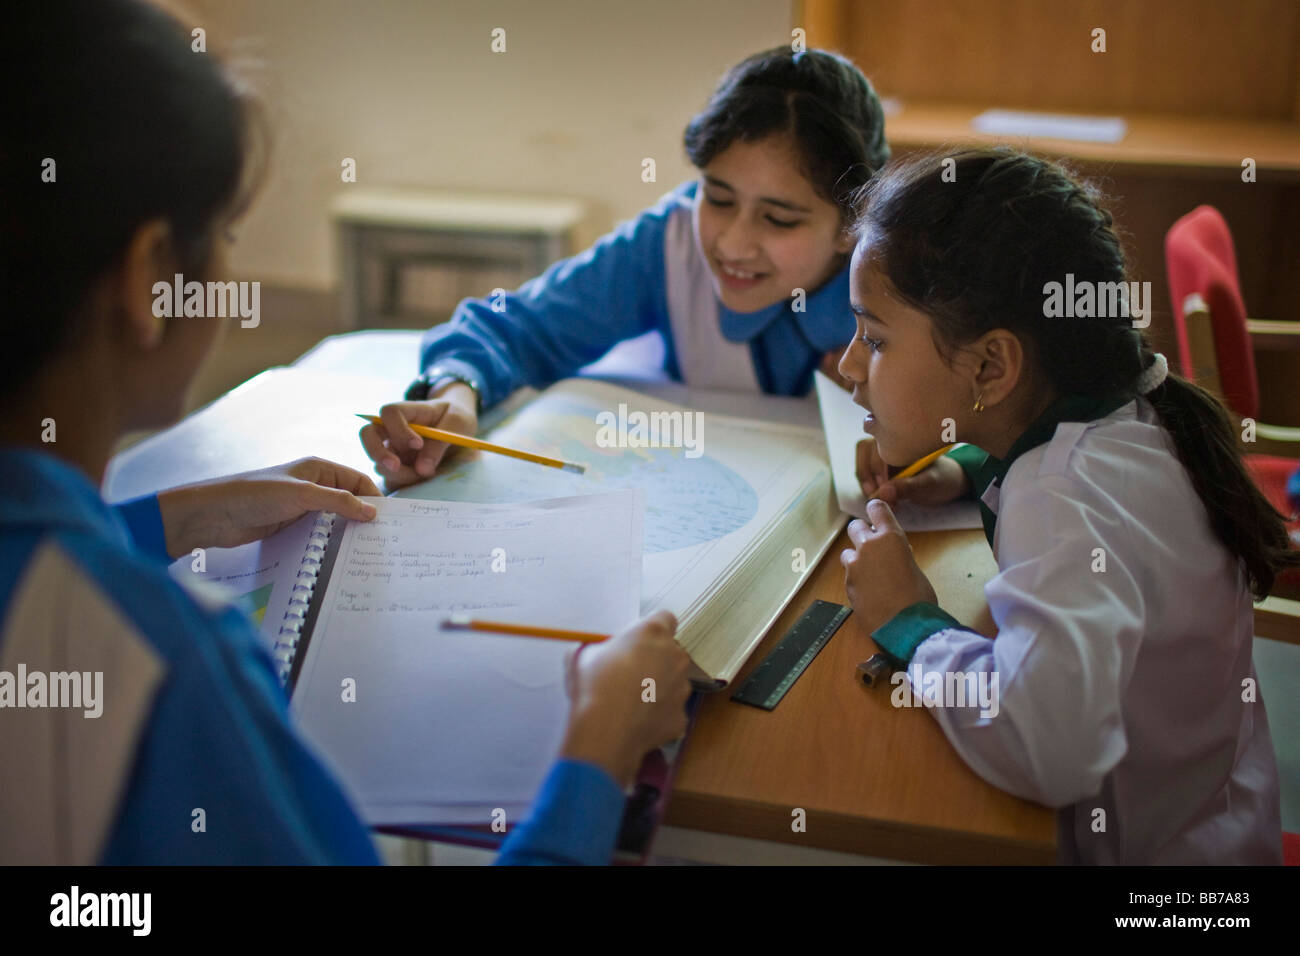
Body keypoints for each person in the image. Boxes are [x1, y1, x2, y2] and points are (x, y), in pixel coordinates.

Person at [0, 0, 692, 865]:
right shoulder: (166, 669)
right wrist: (595, 751)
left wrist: (172, 519)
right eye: (225, 235)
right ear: (150, 281)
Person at [837, 147, 1295, 864]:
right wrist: (966, 468)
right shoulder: (1134, 414)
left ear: (991, 365)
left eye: (874, 337)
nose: (848, 365)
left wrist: (911, 623)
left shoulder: (1059, 497)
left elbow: (1049, 746)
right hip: (1224, 820)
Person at [360, 47, 891, 488]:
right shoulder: (667, 242)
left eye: (777, 219)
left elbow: (966, 423)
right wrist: (456, 391)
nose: (732, 242)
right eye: (718, 198)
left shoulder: (901, 282)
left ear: (853, 220)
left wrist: (937, 461)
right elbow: (514, 326)